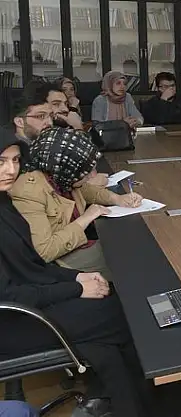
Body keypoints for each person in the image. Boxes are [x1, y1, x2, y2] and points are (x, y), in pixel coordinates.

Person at [0, 129, 160, 417]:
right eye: (1, 162)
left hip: (29, 303)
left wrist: (76, 278)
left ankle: (125, 405)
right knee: (126, 315)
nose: (11, 170)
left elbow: (31, 266)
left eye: (15, 160)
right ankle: (155, 402)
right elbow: (10, 292)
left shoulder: (3, 203)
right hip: (14, 321)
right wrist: (76, 288)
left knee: (106, 337)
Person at [9, 127, 142, 278]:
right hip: (60, 261)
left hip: (77, 245)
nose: (93, 175)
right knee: (131, 262)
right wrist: (85, 218)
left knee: (131, 247)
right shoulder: (29, 192)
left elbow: (85, 189)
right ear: (67, 169)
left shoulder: (60, 176)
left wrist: (117, 199)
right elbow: (44, 252)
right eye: (86, 172)